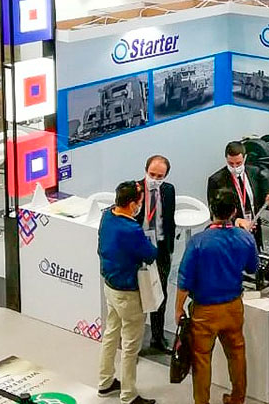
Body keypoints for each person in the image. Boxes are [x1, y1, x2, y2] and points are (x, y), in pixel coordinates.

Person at [176, 189, 259, 404]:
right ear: (234, 211)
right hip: (233, 307)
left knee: (202, 359)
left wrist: (178, 309)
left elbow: (184, 280)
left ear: (211, 210)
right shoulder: (245, 237)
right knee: (237, 354)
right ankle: (237, 398)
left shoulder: (198, 241)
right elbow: (253, 267)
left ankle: (202, 401)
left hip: (204, 311)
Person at [97, 181, 157, 404]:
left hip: (110, 286)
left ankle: (105, 381)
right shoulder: (131, 229)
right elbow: (150, 254)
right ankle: (129, 394)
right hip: (128, 292)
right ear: (132, 204)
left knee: (111, 334)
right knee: (130, 345)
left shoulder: (107, 216)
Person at [135, 156, 176, 353]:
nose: (155, 179)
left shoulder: (168, 190)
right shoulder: (134, 190)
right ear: (145, 171)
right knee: (137, 294)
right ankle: (134, 340)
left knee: (160, 294)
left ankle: (157, 337)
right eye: (152, 175)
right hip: (138, 248)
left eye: (160, 176)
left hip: (160, 248)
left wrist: (169, 248)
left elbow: (169, 220)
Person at [208, 142, 269, 235]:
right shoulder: (216, 180)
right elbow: (213, 213)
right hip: (232, 232)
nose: (235, 167)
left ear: (245, 158)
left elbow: (263, 199)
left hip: (254, 229)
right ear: (226, 158)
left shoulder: (255, 172)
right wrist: (236, 221)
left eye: (238, 163)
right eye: (231, 163)